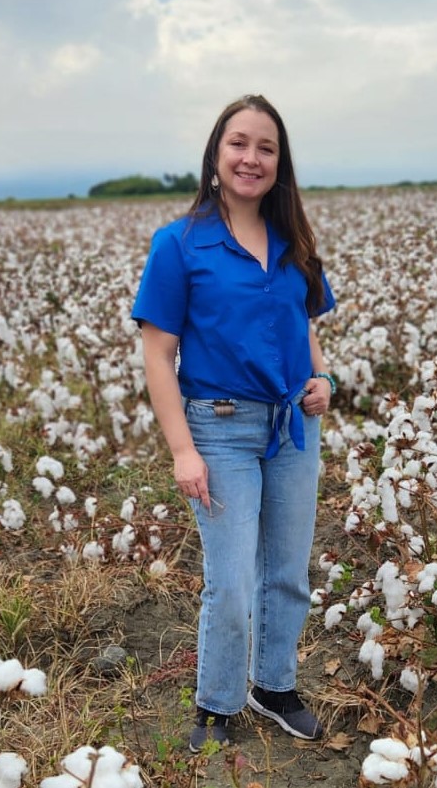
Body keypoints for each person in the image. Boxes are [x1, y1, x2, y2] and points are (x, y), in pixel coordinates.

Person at [132, 94, 336, 753]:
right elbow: (158, 356)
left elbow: (304, 330)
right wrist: (182, 451)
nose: (251, 157)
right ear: (216, 155)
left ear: (280, 163)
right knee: (231, 579)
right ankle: (216, 702)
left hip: (291, 431)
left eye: (266, 147)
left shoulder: (295, 242)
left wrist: (323, 379)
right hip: (216, 428)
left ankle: (273, 686)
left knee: (287, 571)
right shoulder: (179, 242)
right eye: (239, 143)